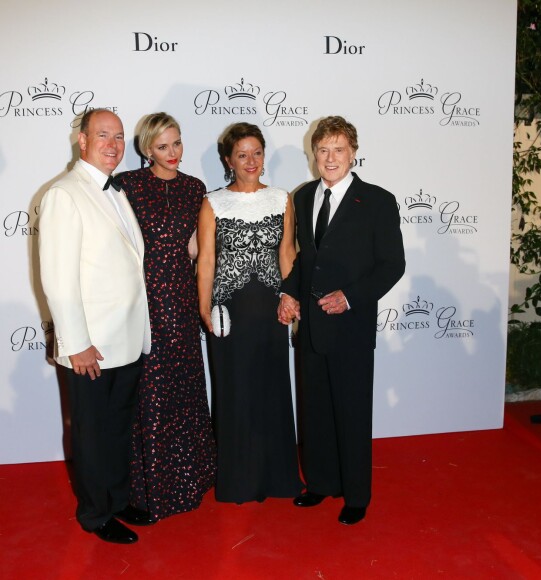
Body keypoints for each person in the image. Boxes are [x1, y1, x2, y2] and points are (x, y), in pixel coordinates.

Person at [278, 116, 405, 525]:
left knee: (351, 412)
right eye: (322, 150)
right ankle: (320, 484)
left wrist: (350, 297)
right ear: (313, 154)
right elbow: (304, 260)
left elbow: (392, 265)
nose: (330, 158)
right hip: (312, 327)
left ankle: (356, 494)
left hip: (350, 327)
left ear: (353, 152)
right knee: (314, 410)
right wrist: (288, 292)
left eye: (338, 149)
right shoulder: (302, 197)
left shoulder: (378, 200)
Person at [39, 109, 153, 544]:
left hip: (125, 339)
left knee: (118, 427)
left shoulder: (115, 191)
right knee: (91, 432)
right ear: (82, 141)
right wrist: (77, 343)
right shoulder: (65, 194)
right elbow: (58, 279)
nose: (113, 144)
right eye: (102, 135)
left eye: (119, 136)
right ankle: (95, 513)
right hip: (91, 346)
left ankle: (118, 499)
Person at [115, 113, 217, 520]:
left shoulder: (195, 188)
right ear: (146, 149)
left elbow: (196, 249)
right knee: (149, 393)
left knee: (184, 386)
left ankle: (188, 480)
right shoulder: (129, 185)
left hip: (181, 298)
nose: (172, 153)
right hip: (144, 300)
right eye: (162, 146)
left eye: (177, 143)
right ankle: (147, 488)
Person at [197, 122, 303, 503]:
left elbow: (287, 254)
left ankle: (277, 477)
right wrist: (204, 308)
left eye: (257, 152)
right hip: (229, 311)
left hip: (271, 310)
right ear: (228, 160)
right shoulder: (213, 202)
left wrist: (291, 298)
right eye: (242, 155)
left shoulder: (282, 198)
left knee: (272, 390)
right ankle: (238, 480)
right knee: (234, 392)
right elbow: (207, 260)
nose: (251, 161)